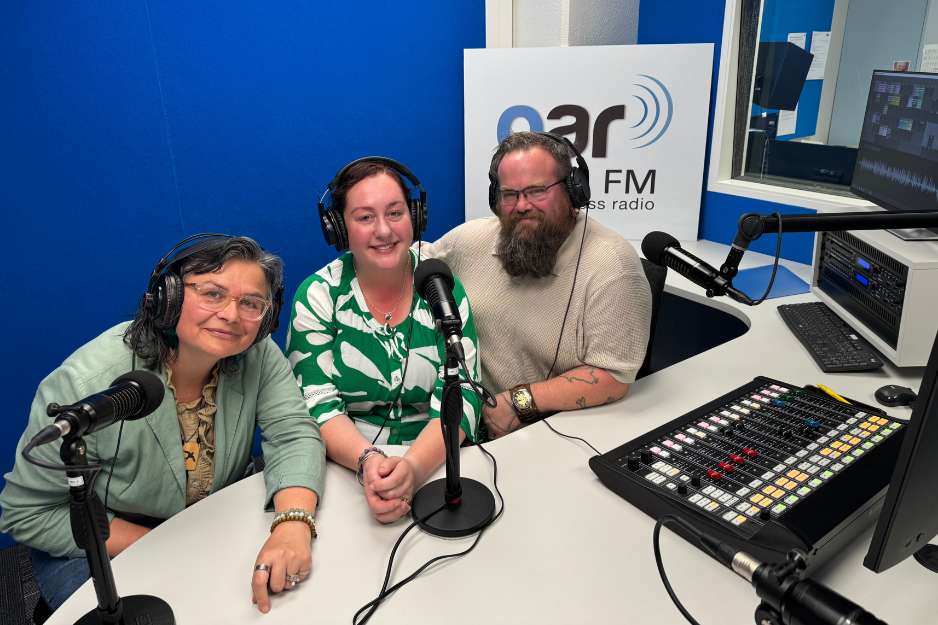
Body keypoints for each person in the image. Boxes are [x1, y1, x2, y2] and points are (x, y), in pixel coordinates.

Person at [0, 235, 325, 615]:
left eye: (250, 303)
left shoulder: (258, 354)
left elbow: (293, 434)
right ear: (167, 297)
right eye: (213, 294)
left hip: (204, 523)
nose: (231, 315)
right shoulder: (86, 382)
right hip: (100, 538)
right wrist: (166, 546)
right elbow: (30, 512)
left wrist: (293, 523)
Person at [287, 158, 481, 524]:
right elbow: (316, 402)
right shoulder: (318, 296)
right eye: (364, 217)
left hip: (439, 464)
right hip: (347, 470)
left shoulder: (439, 286)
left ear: (415, 217)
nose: (383, 230)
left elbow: (465, 394)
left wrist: (413, 468)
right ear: (338, 228)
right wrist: (369, 464)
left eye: (395, 213)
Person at [421, 131, 652, 439]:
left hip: (552, 433)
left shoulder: (612, 266)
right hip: (461, 422)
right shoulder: (471, 239)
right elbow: (413, 262)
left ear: (573, 190)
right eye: (509, 194)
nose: (522, 206)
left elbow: (614, 376)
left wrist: (520, 402)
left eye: (536, 191)